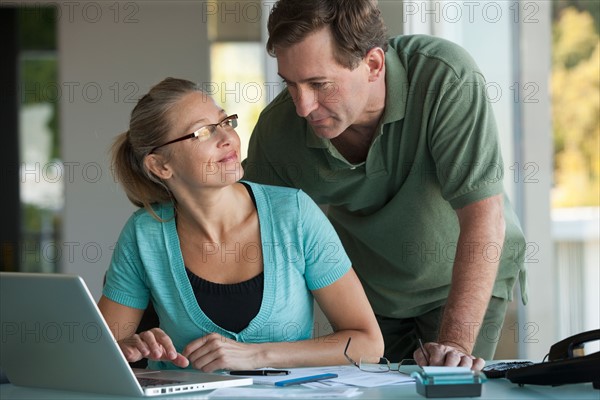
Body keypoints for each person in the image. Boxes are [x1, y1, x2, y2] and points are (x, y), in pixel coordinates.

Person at [242, 0, 527, 370]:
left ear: (373, 64)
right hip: (372, 292)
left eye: (318, 84)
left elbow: (483, 217)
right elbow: (248, 236)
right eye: (291, 84)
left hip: (460, 278)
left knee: (450, 383)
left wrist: (454, 343)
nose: (302, 106)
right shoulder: (279, 131)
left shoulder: (444, 77)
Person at [99, 77, 384, 372]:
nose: (227, 139)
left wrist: (257, 355)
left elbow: (368, 344)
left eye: (224, 122)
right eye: (203, 132)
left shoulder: (295, 215)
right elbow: (99, 354)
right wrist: (127, 349)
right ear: (160, 166)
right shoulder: (144, 234)